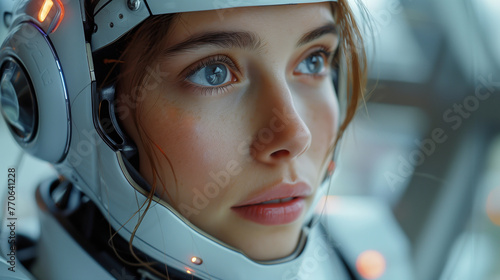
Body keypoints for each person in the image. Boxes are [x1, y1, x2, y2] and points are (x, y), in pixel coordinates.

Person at [0, 0, 413, 279]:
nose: (294, 135)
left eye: (313, 60)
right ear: (59, 105)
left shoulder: (368, 250)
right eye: (213, 72)